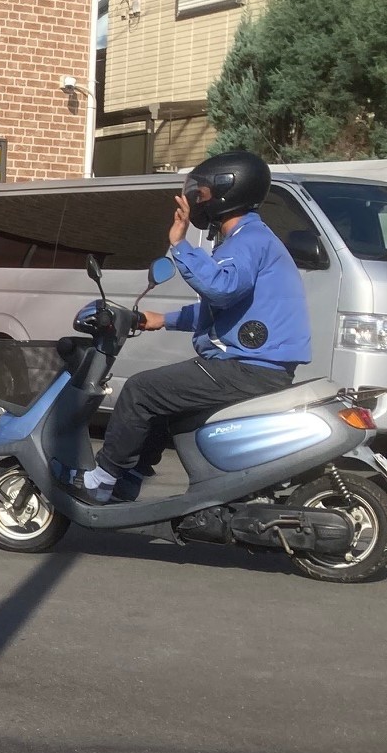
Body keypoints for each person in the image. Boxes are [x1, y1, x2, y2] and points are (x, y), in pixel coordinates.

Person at [58, 151, 312, 505]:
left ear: (228, 190)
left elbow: (221, 289)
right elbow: (223, 310)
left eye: (201, 193)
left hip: (248, 369)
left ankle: (101, 481)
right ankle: (128, 480)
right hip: (256, 367)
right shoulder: (253, 238)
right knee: (166, 403)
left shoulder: (247, 241)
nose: (195, 201)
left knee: (140, 390)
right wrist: (162, 319)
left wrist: (179, 244)